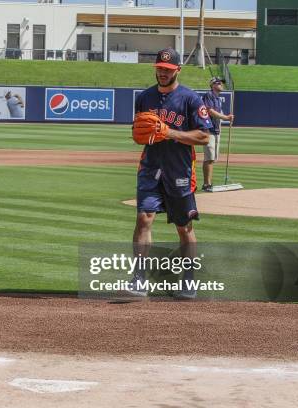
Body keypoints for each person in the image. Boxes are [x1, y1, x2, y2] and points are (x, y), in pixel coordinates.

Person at [129, 48, 212, 299]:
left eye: (167, 70)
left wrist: (171, 133)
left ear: (178, 70)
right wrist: (139, 133)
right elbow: (139, 132)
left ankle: (188, 281)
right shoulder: (144, 97)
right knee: (144, 218)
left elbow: (204, 136)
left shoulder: (191, 99)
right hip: (151, 168)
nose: (162, 73)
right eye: (159, 69)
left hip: (180, 170)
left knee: (183, 226)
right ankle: (139, 279)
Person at [201, 77, 235, 192]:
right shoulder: (209, 95)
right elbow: (210, 111)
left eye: (221, 83)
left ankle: (210, 182)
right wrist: (226, 117)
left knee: (213, 158)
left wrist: (228, 118)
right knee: (209, 157)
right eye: (218, 83)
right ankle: (207, 184)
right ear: (212, 85)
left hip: (216, 130)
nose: (221, 84)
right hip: (208, 130)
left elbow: (218, 112)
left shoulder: (217, 98)